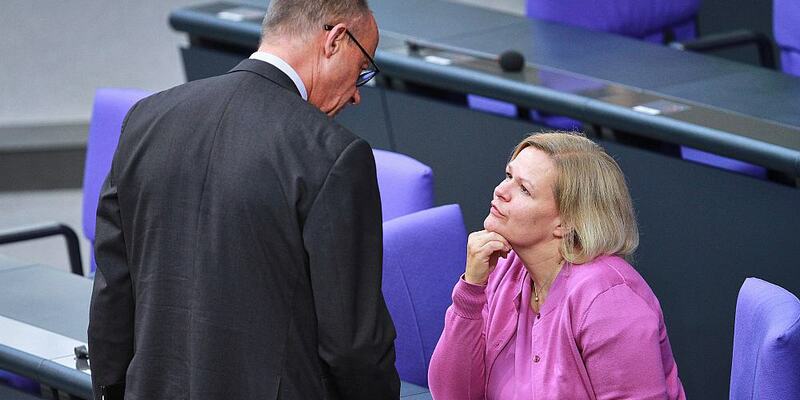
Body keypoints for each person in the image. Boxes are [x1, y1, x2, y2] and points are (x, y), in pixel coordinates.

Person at [88, 1, 400, 399]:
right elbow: (352, 343)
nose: (356, 94)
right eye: (362, 70)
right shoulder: (332, 154)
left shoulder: (147, 118)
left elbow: (114, 286)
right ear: (335, 40)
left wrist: (112, 390)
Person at [428, 132, 685, 399]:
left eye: (524, 189)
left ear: (565, 223)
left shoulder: (608, 301)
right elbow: (452, 394)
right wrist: (471, 292)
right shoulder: (505, 266)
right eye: (508, 176)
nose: (501, 191)